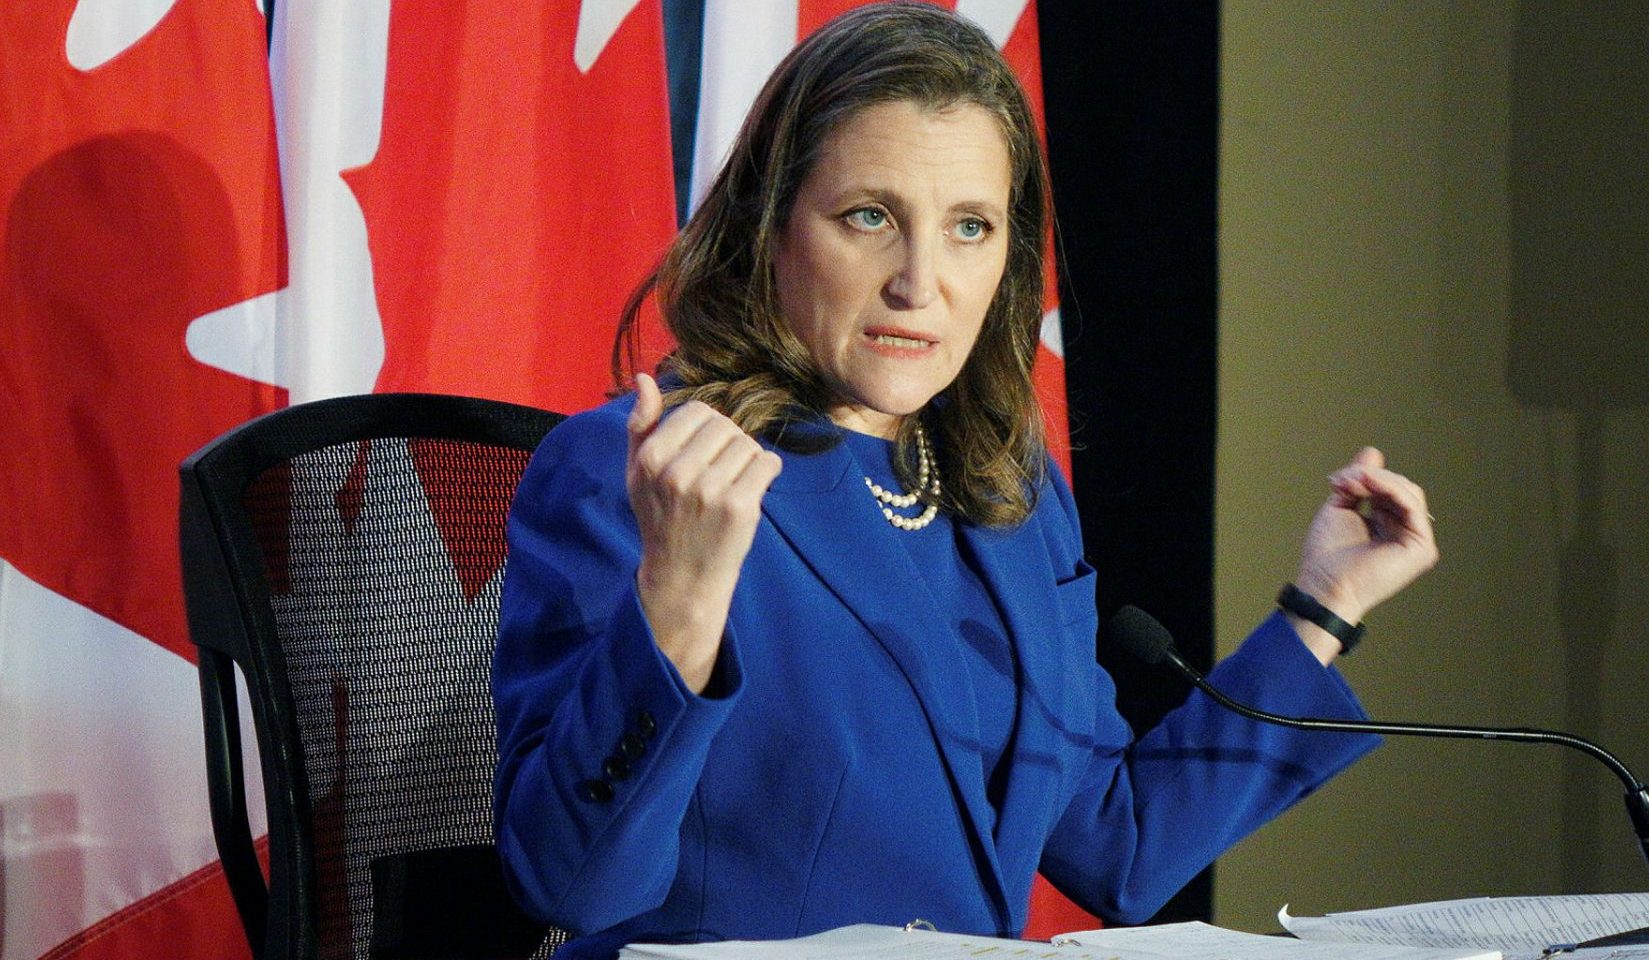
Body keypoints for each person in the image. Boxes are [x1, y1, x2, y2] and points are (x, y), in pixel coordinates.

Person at [492, 4, 1437, 958]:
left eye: (970, 228)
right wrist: (679, 601)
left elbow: (1121, 842)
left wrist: (1324, 606)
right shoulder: (636, 474)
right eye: (870, 217)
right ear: (768, 226)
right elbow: (574, 882)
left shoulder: (1007, 490)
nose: (921, 282)